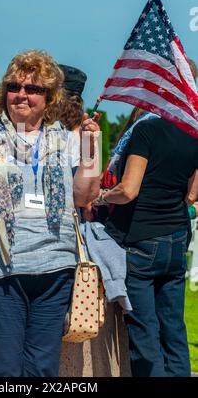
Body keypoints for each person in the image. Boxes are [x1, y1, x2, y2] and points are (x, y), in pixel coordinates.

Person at [0, 50, 100, 377]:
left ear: (50, 97)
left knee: (42, 372)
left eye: (33, 88)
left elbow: (84, 197)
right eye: (14, 86)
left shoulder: (67, 142)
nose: (21, 94)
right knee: (1, 370)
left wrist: (89, 151)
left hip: (54, 274)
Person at [94, 108, 198, 377]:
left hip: (141, 238)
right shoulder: (192, 133)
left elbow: (128, 190)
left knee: (144, 335)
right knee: (174, 329)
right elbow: (193, 193)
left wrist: (102, 197)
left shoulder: (145, 130)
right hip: (176, 237)